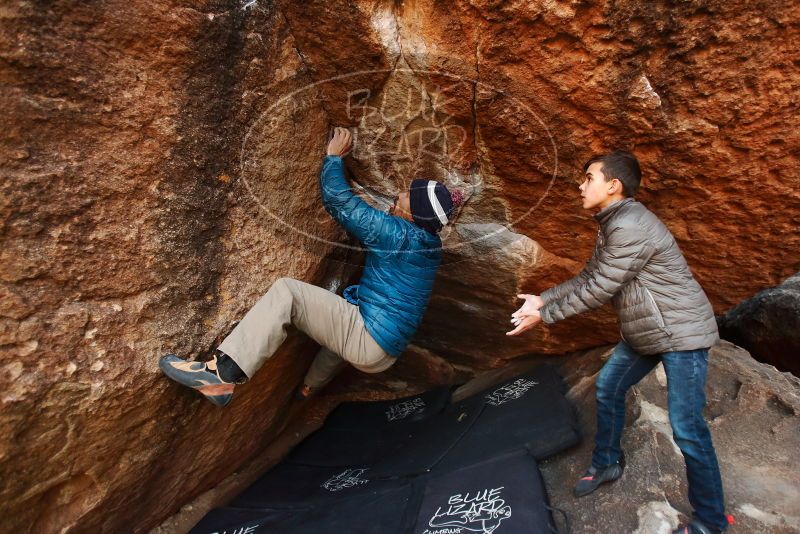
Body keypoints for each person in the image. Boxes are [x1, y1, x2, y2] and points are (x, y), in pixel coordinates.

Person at [160, 127, 463, 407]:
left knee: (288, 293)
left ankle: (221, 375)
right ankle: (308, 388)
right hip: (383, 352)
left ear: (415, 215)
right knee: (343, 317)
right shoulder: (428, 246)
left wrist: (333, 158)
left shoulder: (399, 235)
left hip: (368, 339)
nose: (402, 193)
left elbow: (341, 203)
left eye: (410, 195)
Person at [507, 150, 728, 534]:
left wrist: (546, 315)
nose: (580, 184)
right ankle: (607, 461)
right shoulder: (614, 221)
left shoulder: (630, 225)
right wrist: (544, 298)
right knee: (608, 388)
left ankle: (711, 522)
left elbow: (599, 288)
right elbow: (591, 274)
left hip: (680, 333)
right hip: (647, 331)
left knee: (688, 428)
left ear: (614, 185)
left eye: (588, 177)